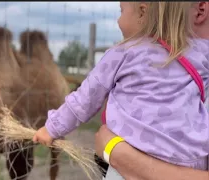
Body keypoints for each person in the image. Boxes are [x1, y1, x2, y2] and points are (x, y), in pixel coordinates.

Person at [33, 1, 209, 179]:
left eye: (121, 11)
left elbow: (83, 101)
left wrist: (51, 129)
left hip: (129, 163)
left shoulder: (122, 54)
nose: (118, 20)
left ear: (142, 12)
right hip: (192, 163)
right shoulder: (199, 53)